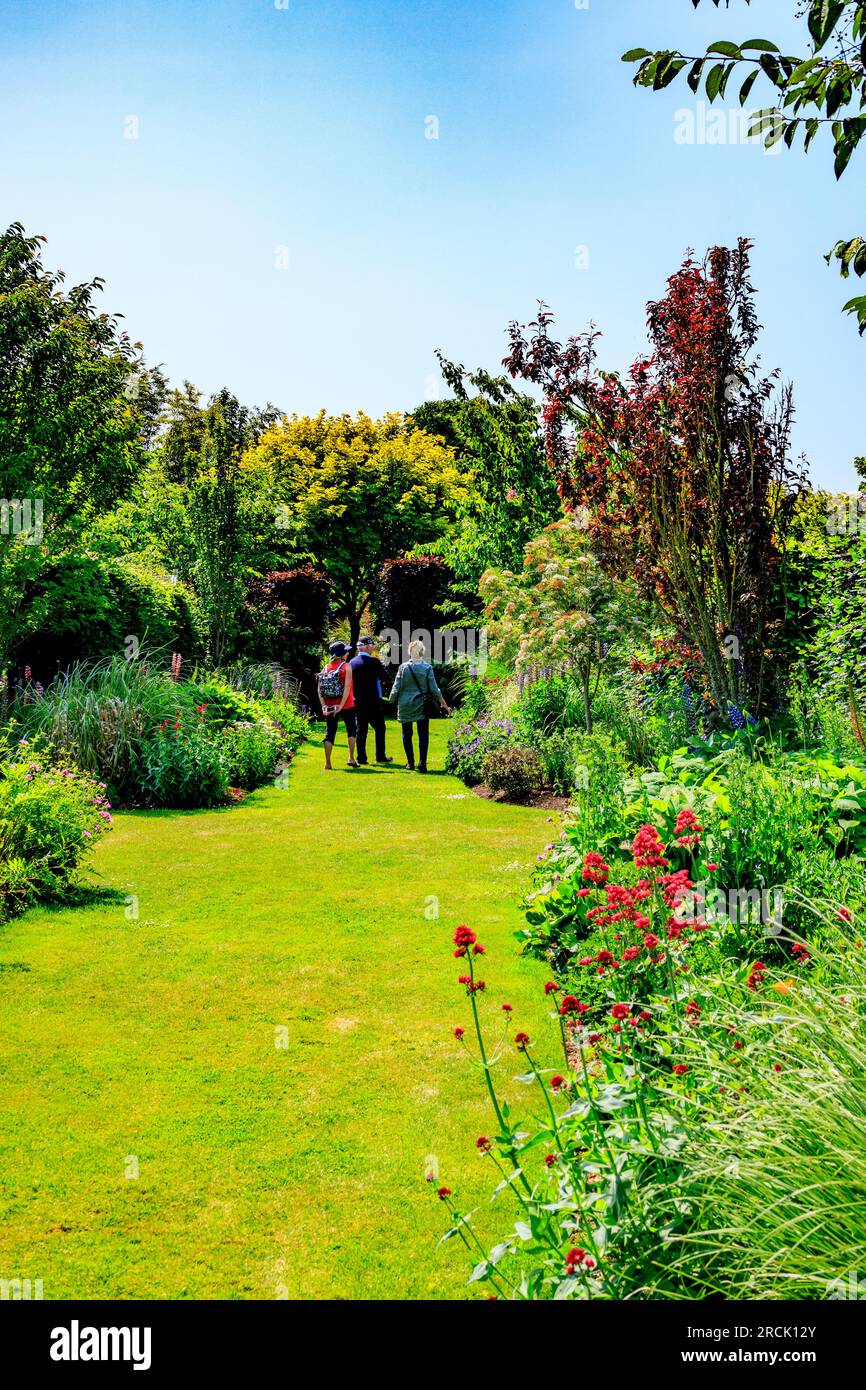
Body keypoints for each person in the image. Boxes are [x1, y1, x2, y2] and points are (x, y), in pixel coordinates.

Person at [388, 639, 450, 773]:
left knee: (406, 733)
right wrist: (444, 704)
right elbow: (434, 689)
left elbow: (396, 686)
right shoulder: (427, 667)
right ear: (422, 652)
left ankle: (410, 763)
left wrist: (390, 700)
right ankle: (422, 763)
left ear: (410, 651)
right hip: (422, 704)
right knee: (423, 734)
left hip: (405, 705)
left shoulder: (403, 667)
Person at [349, 636, 393, 765]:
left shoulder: (351, 663)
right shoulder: (374, 662)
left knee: (361, 730)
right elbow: (385, 678)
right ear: (367, 647)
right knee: (380, 728)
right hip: (373, 701)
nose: (373, 647)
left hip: (358, 701)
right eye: (372, 645)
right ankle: (380, 756)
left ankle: (361, 758)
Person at [318, 641, 358, 770]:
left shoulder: (325, 668)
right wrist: (341, 705)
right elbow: (347, 687)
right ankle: (351, 758)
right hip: (346, 704)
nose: (348, 653)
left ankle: (328, 763)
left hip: (329, 705)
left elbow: (320, 690)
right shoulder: (346, 666)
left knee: (330, 733)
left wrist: (324, 705)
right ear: (341, 654)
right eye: (346, 651)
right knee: (351, 731)